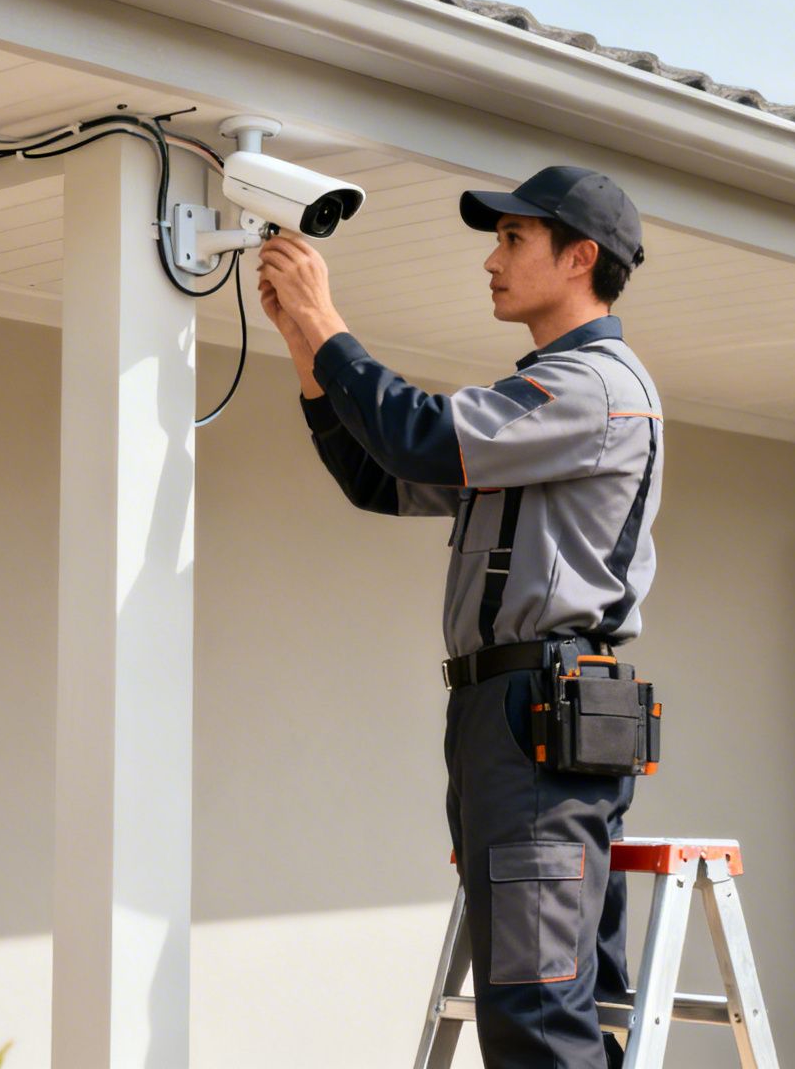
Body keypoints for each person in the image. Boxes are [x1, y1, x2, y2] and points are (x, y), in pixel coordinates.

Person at [257, 165, 662, 1069]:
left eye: (513, 239)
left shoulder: (594, 388)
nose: (491, 259)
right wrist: (302, 344)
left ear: (579, 258)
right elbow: (381, 477)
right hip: (512, 716)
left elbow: (421, 434)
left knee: (535, 1012)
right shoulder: (542, 402)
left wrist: (329, 325)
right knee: (550, 999)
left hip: (537, 715)